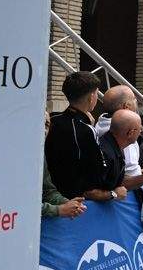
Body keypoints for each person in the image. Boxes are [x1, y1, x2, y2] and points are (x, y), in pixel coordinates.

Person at [46, 71, 121, 202]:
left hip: (49, 190)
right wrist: (112, 193)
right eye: (97, 94)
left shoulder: (52, 119)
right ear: (91, 97)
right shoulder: (85, 130)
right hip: (75, 200)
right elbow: (98, 172)